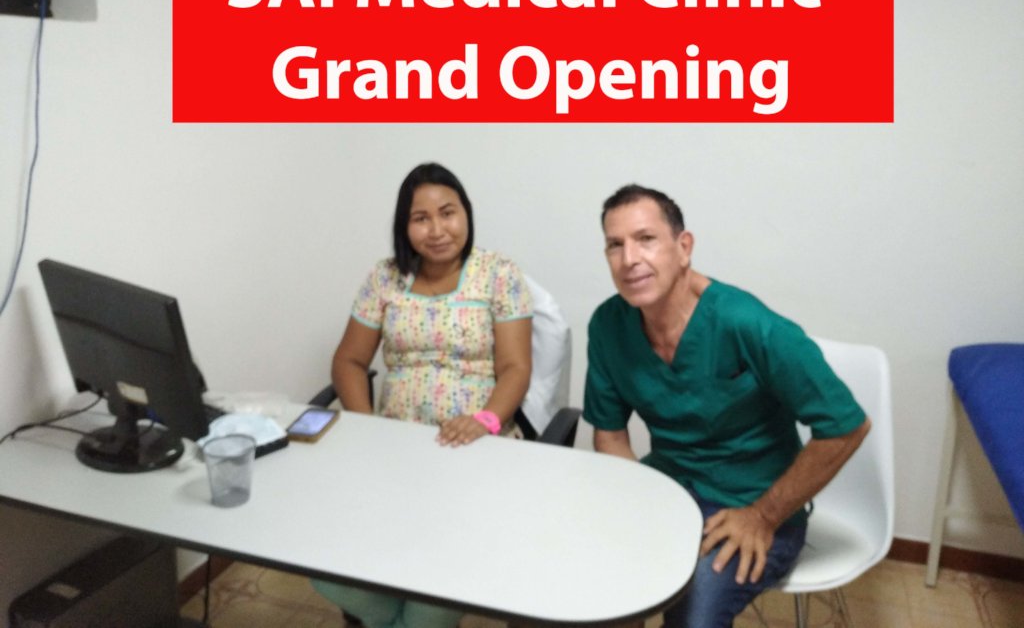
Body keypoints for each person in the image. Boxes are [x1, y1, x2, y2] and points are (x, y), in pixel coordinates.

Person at [583, 184, 870, 628]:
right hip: (668, 490)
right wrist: (640, 507)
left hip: (752, 503)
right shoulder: (608, 324)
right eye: (614, 245)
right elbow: (610, 435)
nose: (629, 259)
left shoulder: (747, 323)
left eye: (646, 239)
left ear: (683, 248)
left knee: (692, 616)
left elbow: (847, 426)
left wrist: (764, 515)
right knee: (594, 589)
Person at [312, 162, 533, 628]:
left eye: (447, 213)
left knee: (437, 573)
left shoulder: (498, 273)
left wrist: (486, 421)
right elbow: (349, 361)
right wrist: (367, 426)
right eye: (421, 218)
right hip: (395, 452)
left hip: (475, 449)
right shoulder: (385, 278)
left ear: (466, 215)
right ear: (404, 226)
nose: (437, 230)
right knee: (312, 554)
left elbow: (515, 368)